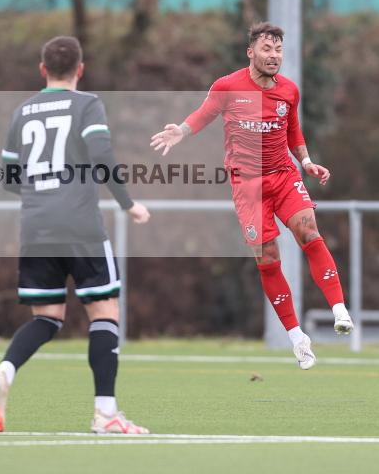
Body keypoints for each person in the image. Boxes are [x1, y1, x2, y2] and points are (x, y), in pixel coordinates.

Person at [150, 22, 353, 370]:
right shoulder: (227, 86)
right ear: (251, 53)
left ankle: (338, 308)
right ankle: (297, 338)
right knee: (268, 257)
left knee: (309, 232)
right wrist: (181, 132)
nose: (273, 57)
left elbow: (293, 130)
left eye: (278, 51)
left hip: (284, 175)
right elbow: (204, 114)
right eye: (266, 50)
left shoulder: (289, 90)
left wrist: (305, 161)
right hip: (247, 186)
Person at [0, 36, 151, 434]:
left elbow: (9, 179)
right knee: (104, 311)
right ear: (81, 69)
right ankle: (106, 414)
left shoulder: (22, 112)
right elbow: (101, 155)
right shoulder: (87, 104)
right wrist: (128, 203)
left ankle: (5, 370)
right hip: (80, 224)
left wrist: (44, 190)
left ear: (42, 70)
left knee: (47, 317)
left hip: (36, 226)